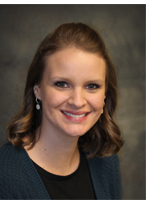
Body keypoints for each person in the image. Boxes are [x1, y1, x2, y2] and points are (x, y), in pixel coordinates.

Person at [0, 22, 124, 200]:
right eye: (62, 84)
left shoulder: (106, 163)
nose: (78, 101)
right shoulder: (5, 176)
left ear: (105, 95)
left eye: (92, 86)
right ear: (38, 89)